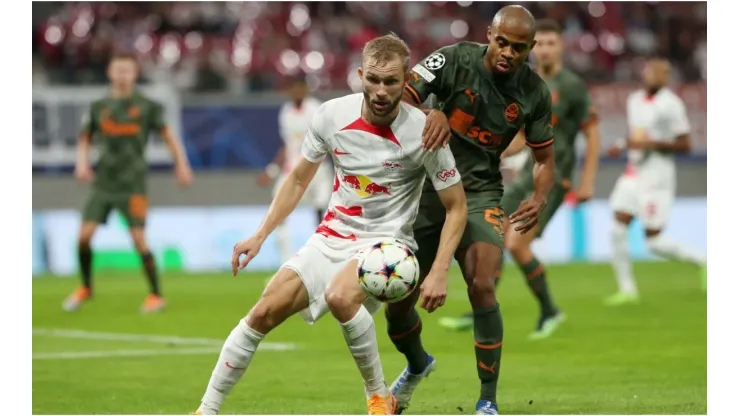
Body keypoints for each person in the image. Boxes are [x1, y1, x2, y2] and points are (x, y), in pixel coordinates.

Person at [192, 34, 467, 416]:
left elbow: (457, 206)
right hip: (332, 236)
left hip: (388, 245)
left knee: (341, 297)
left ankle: (377, 399)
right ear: (359, 75)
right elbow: (298, 180)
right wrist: (260, 235)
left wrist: (439, 271)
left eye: (391, 82)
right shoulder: (331, 116)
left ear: (407, 81)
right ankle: (206, 410)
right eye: (374, 79)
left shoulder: (425, 132)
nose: (382, 90)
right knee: (262, 312)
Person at [388, 6, 556, 415]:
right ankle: (417, 364)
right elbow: (400, 96)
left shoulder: (534, 92)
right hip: (427, 190)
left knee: (483, 284)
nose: (508, 53)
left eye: (518, 48)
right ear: (489, 35)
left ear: (530, 49)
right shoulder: (453, 59)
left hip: (481, 193)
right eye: (502, 42)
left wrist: (539, 197)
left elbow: (544, 160)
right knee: (397, 304)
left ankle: (487, 402)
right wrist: (432, 111)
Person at [438, 19, 601, 340]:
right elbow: (522, 136)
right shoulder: (525, 84)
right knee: (492, 236)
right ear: (533, 47)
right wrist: (489, 152)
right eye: (542, 44)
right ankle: (480, 309)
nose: (546, 49)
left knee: (516, 243)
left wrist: (587, 182)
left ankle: (550, 309)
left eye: (553, 43)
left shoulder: (571, 86)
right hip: (524, 176)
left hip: (554, 179)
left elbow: (592, 136)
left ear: (561, 47)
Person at [62, 53, 193, 314]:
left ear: (134, 74)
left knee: (138, 238)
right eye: (118, 70)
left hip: (133, 182)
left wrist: (182, 165)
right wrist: (82, 163)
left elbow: (169, 138)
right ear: (110, 73)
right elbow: (85, 138)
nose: (122, 76)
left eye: (127, 71)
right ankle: (86, 287)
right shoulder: (99, 106)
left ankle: (156, 295)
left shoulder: (146, 106)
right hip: (104, 183)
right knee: (84, 237)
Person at [605, 58, 707, 305]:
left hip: (657, 177)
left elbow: (685, 144)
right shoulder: (634, 100)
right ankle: (627, 290)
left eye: (660, 73)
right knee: (616, 228)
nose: (653, 76)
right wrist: (623, 144)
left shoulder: (671, 105)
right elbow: (637, 134)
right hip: (634, 173)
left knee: (654, 242)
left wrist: (649, 144)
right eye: (650, 72)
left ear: (666, 78)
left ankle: (704, 261)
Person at [258, 77, 332, 263]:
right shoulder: (286, 112)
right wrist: (272, 170)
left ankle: (321, 260)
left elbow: (330, 140)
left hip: (317, 169)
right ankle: (285, 263)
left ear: (305, 89)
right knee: (277, 210)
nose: (296, 93)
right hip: (292, 170)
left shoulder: (316, 109)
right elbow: (288, 145)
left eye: (299, 88)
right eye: (292, 89)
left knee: (321, 214)